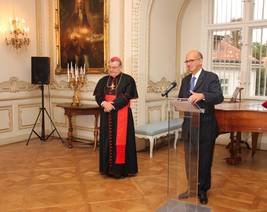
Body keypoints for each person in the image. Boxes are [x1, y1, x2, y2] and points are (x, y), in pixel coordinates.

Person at [178, 50, 224, 204]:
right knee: (189, 159)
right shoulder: (185, 80)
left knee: (204, 160)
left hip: (206, 126)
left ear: (200, 61)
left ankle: (202, 189)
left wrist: (202, 95)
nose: (188, 64)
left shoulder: (211, 77)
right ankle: (191, 187)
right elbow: (181, 99)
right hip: (189, 125)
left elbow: (219, 96)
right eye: (187, 61)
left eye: (191, 60)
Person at [93, 57, 138, 178]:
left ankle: (122, 170)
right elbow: (98, 95)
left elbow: (127, 96)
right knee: (106, 140)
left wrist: (112, 105)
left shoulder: (128, 80)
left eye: (114, 67)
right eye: (110, 67)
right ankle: (107, 170)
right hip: (106, 115)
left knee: (123, 141)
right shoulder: (103, 80)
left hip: (121, 114)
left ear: (120, 67)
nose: (111, 70)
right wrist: (103, 103)